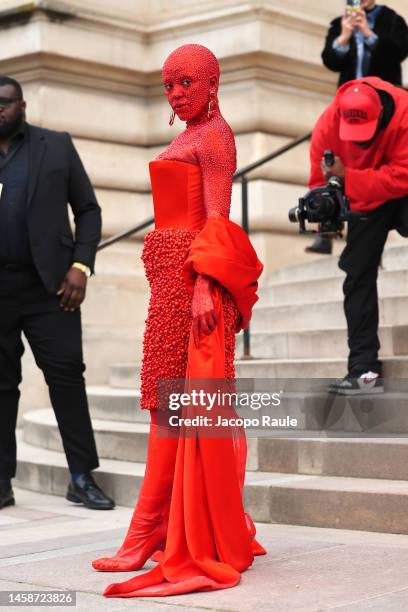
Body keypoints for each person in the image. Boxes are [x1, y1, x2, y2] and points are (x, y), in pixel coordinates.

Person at [92, 44, 266, 597]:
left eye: (186, 82)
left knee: (176, 403)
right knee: (164, 401)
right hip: (169, 285)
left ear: (212, 82)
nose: (176, 93)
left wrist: (206, 288)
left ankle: (147, 534)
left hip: (192, 285)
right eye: (169, 85)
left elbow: (219, 218)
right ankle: (152, 530)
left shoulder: (215, 136)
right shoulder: (187, 134)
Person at [0, 76, 114, 510]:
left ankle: (82, 476)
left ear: (23, 106)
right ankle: (1, 482)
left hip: (52, 289)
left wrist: (81, 266)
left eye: (5, 102)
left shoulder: (56, 145)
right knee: (1, 386)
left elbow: (88, 209)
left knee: (67, 380)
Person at [308, 76, 408, 394]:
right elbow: (317, 181)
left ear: (380, 114)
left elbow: (403, 176)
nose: (360, 142)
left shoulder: (405, 113)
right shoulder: (327, 124)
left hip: (402, 190)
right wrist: (327, 213)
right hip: (365, 200)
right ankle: (364, 370)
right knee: (356, 273)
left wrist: (349, 177)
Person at [307, 0, 408, 255]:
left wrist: (368, 34)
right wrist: (344, 35)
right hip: (350, 106)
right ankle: (326, 228)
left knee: (378, 168)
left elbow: (399, 51)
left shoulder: (391, 19)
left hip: (384, 105)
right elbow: (330, 60)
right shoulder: (339, 23)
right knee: (333, 159)